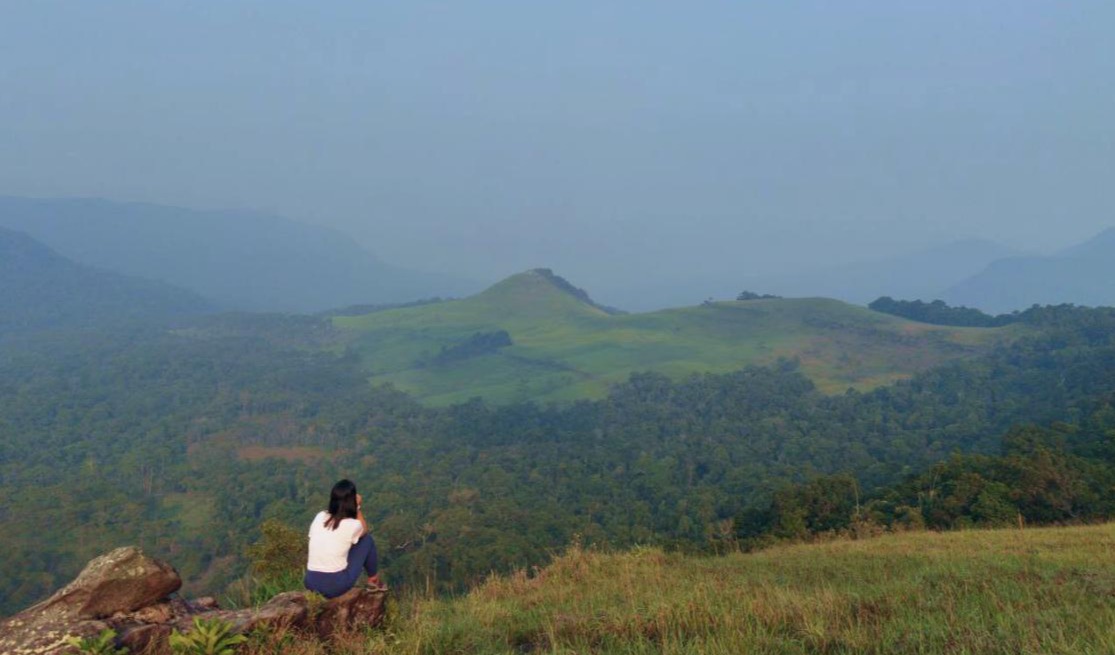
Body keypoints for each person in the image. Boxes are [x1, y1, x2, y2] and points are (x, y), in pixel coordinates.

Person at [304, 479, 385, 598]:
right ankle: (373, 579)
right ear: (351, 501)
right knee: (366, 540)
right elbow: (364, 529)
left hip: (310, 582)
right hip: (335, 585)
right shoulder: (353, 525)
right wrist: (357, 507)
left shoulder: (320, 516)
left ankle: (372, 579)